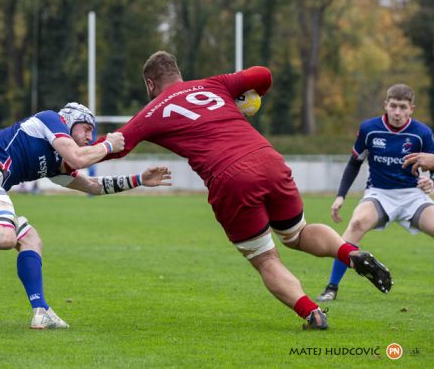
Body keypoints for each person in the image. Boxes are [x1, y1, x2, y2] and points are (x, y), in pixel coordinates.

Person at [96, 51, 392, 330]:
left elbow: (115, 148)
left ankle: (312, 312)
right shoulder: (215, 84)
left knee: (266, 259)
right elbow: (262, 74)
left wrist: (73, 149)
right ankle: (349, 253)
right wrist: (249, 98)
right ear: (177, 72)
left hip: (230, 177)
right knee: (298, 233)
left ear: (150, 83)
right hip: (268, 158)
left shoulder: (152, 111)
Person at [0, 103, 172, 329]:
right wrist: (108, 144)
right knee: (5, 235)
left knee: (30, 240)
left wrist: (139, 179)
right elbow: (78, 157)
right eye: (86, 129)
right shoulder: (50, 119)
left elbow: (93, 186)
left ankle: (41, 312)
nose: (89, 136)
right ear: (69, 122)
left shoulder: (56, 164)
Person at [316, 84, 434, 302]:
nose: (397, 112)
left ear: (412, 109)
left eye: (403, 107)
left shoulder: (422, 133)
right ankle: (331, 287)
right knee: (356, 224)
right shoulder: (369, 129)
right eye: (394, 106)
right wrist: (341, 195)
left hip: (413, 195)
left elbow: (432, 165)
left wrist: (430, 181)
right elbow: (354, 163)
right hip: (380, 193)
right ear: (386, 105)